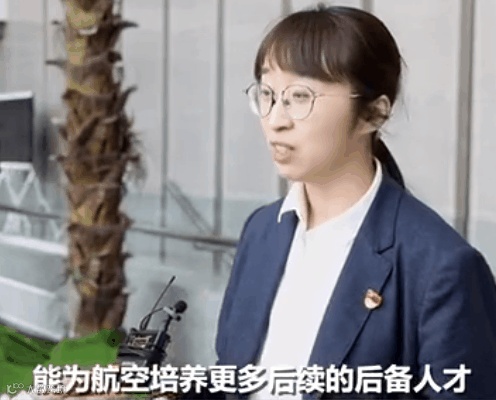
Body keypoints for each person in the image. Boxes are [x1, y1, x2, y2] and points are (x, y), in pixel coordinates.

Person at [209, 4, 496, 400]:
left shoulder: (442, 268)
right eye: (268, 94)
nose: (275, 119)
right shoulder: (261, 231)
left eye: (299, 97)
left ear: (373, 114)